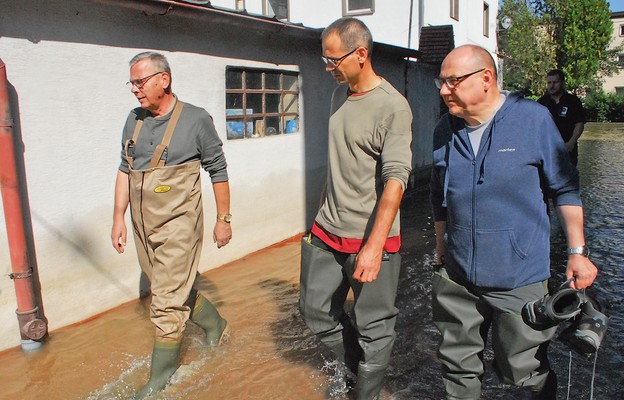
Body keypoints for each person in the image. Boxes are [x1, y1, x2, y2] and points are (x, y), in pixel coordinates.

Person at [430, 45, 598, 399]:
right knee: (457, 371)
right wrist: (441, 248)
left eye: (453, 81)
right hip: (457, 280)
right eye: (441, 82)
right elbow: (439, 197)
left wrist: (578, 252)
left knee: (527, 374)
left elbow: (565, 189)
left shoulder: (533, 120)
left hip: (518, 280)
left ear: (486, 79)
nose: (444, 90)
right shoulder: (445, 129)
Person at [298, 18, 413, 400]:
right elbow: (338, 163)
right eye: (325, 60)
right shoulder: (339, 95)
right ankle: (353, 372)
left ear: (361, 54)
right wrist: (314, 223)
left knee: (374, 327)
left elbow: (396, 179)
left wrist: (375, 245)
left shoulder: (393, 107)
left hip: (370, 238)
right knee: (314, 311)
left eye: (334, 60)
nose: (329, 68)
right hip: (326, 230)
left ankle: (365, 393)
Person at [111, 51, 232, 399]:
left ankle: (157, 382)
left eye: (140, 81)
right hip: (141, 226)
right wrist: (118, 217)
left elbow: (218, 171)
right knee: (172, 291)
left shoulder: (195, 120)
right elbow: (124, 169)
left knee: (164, 304)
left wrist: (223, 220)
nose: (135, 89)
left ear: (163, 79)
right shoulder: (133, 120)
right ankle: (217, 326)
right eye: (131, 82)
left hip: (179, 225)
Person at [537, 69, 585, 166]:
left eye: (555, 82)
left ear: (562, 83)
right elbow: (534, 126)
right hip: (545, 151)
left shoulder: (573, 101)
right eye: (549, 83)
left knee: (568, 179)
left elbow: (579, 124)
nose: (552, 85)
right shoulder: (541, 102)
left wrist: (571, 142)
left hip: (567, 149)